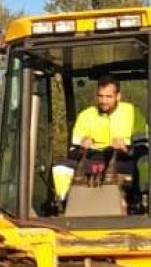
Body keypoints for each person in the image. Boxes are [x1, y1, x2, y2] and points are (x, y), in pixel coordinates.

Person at [52, 75, 139, 204]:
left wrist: (125, 149)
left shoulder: (132, 113)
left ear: (118, 96)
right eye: (100, 96)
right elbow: (73, 151)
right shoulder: (85, 116)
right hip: (92, 159)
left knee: (143, 166)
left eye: (108, 97)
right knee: (60, 167)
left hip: (123, 159)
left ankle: (140, 202)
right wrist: (82, 147)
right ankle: (65, 205)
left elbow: (144, 148)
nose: (104, 101)